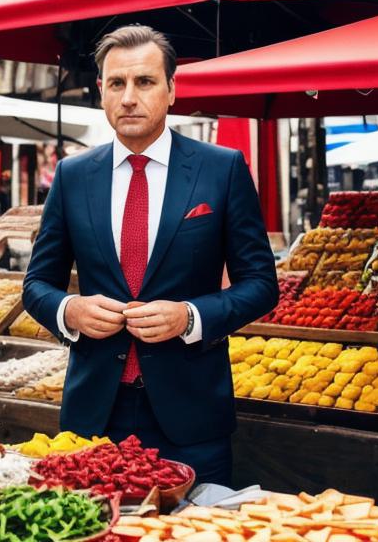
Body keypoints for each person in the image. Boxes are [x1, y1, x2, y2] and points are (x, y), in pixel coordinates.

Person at [22, 25, 277, 486]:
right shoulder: (72, 175)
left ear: (172, 89)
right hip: (95, 417)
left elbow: (261, 285)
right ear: (101, 92)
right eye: (116, 84)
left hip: (193, 416)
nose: (128, 98)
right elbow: (37, 284)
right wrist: (69, 309)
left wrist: (190, 316)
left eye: (144, 82)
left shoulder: (222, 169)